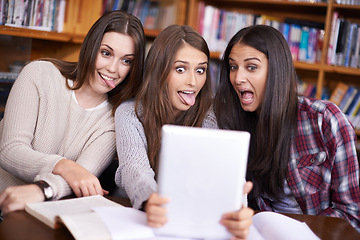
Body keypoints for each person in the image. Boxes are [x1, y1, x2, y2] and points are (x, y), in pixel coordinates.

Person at [213, 24, 360, 231]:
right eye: (233, 67)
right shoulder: (230, 125)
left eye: (251, 67)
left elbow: (351, 214)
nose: (238, 78)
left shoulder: (325, 120)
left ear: (276, 70)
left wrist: (296, 231)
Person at [114, 25, 254, 239]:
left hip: (190, 223)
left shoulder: (211, 115)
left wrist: (237, 205)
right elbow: (134, 168)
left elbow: (221, 174)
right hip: (135, 217)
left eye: (200, 70)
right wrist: (151, 200)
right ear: (159, 70)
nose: (193, 81)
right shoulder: (130, 113)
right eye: (180, 69)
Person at [0, 10, 145, 214]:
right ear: (90, 47)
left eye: (126, 61)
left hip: (41, 215)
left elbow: (82, 178)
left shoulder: (114, 120)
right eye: (106, 53)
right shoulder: (39, 74)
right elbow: (10, 150)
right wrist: (66, 166)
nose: (114, 69)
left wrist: (44, 190)